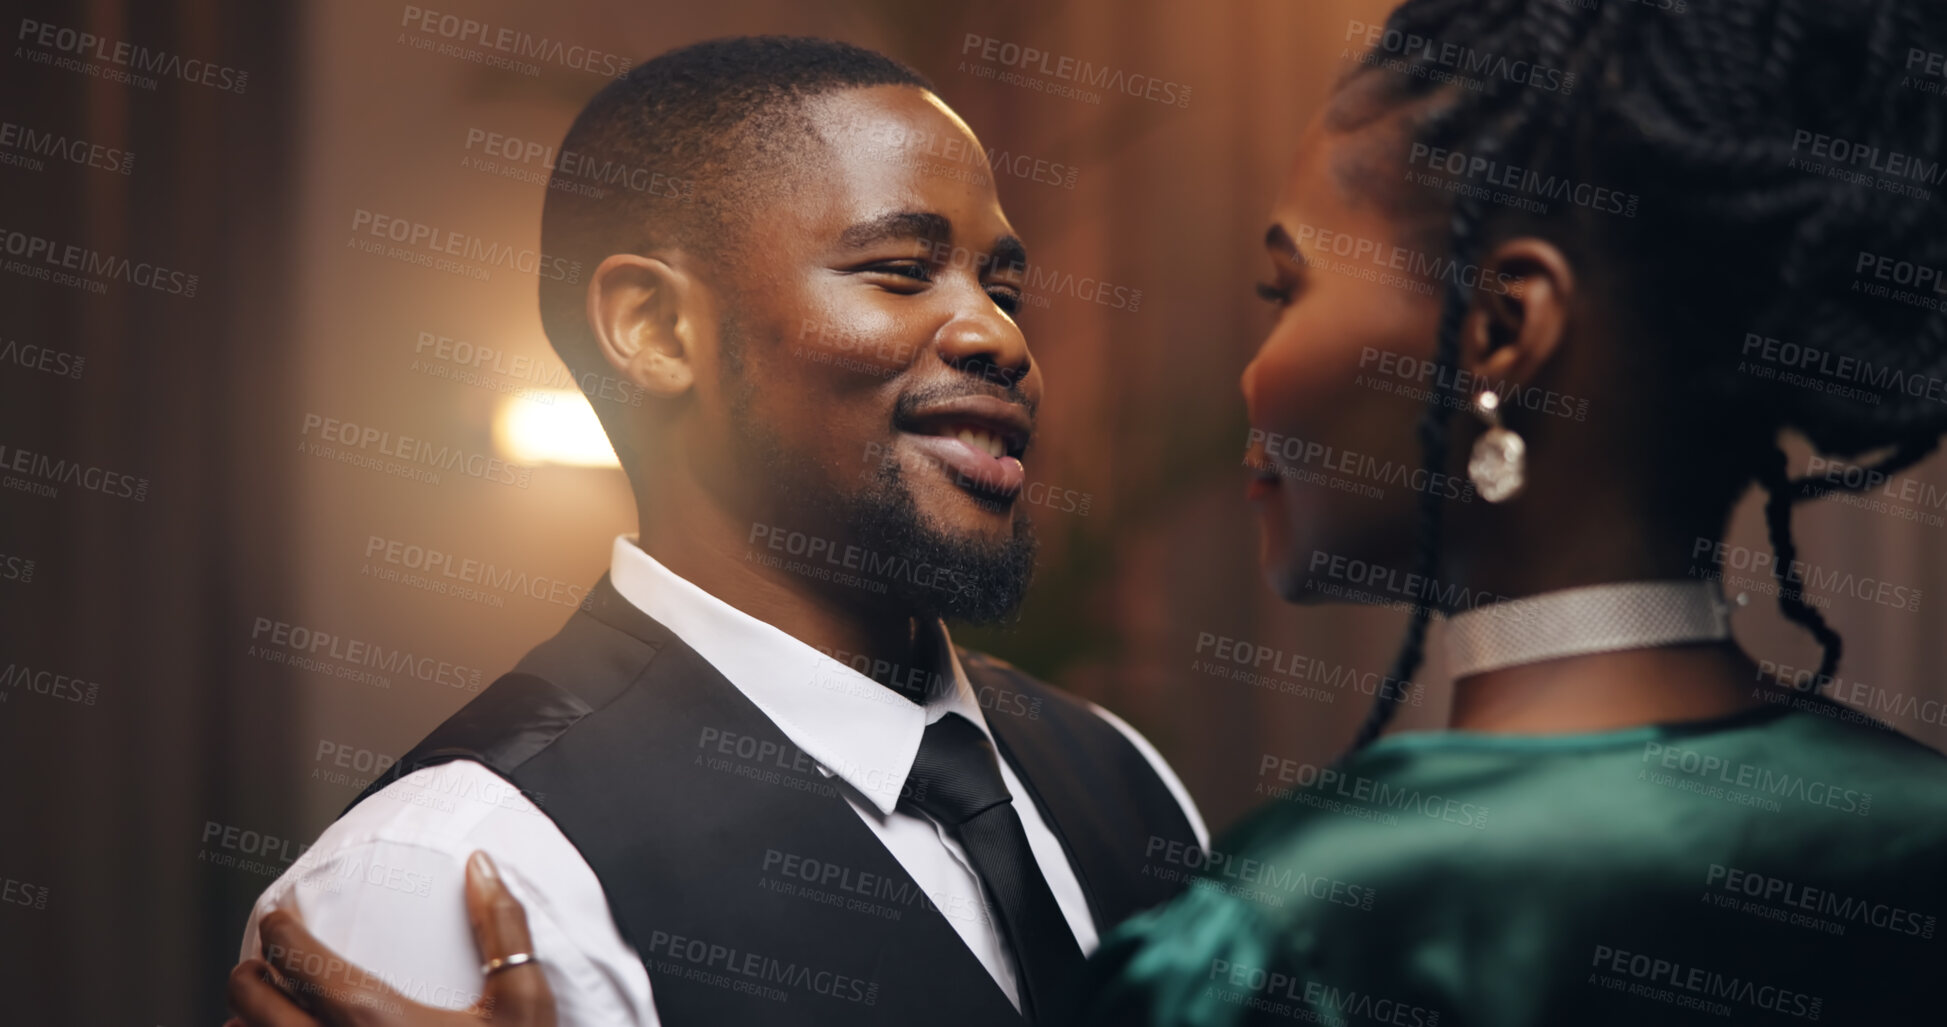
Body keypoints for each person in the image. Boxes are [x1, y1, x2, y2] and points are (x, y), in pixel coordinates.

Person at [233, 36, 1206, 1027]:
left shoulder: (1127, 779)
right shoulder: (446, 874)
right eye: (903, 269)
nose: (1003, 338)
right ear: (655, 331)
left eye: (1004, 289)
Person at [1086, 0, 1947, 1023]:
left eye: (1287, 289)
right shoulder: (1912, 830)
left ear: (1499, 330)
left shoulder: (1294, 938)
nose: (1252, 375)